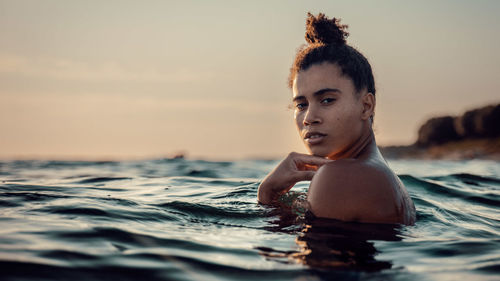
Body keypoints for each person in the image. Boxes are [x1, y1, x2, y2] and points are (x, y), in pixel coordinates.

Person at [257, 13, 416, 225]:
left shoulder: (340, 177)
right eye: (301, 105)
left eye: (327, 100)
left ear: (366, 106)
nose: (309, 118)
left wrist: (266, 197)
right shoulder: (381, 175)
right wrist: (269, 193)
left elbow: (309, 257)